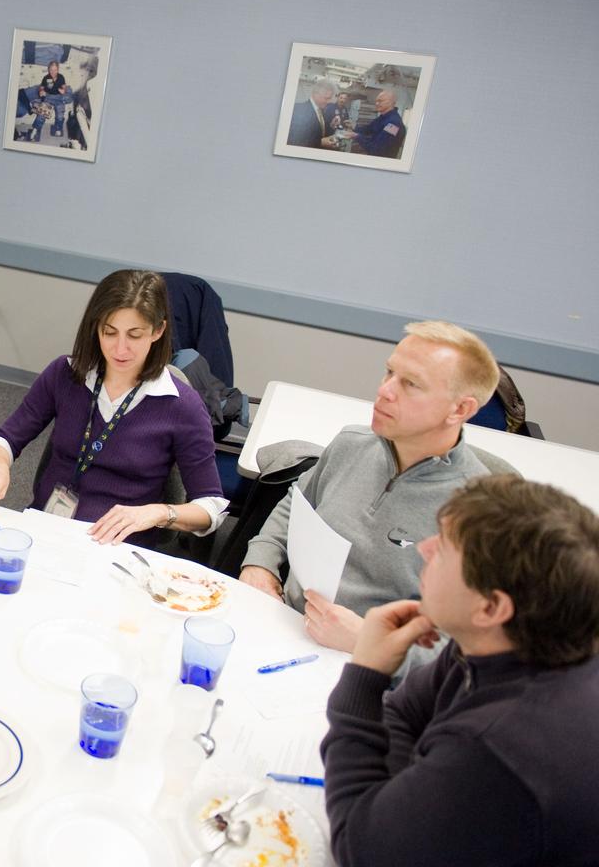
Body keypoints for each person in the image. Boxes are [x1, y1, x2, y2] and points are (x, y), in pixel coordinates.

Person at [321, 475, 599, 867]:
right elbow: (403, 713)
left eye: (445, 549)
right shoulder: (504, 640)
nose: (423, 548)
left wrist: (365, 675)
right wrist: (407, 796)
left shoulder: (498, 748)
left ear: (490, 607)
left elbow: (359, 849)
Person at [240, 321, 501, 654]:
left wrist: (370, 641)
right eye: (389, 372)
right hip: (282, 623)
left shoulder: (481, 511)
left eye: (410, 384)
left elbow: (467, 651)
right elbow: (299, 501)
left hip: (368, 666)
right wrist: (260, 562)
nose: (385, 391)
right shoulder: (352, 443)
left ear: (460, 409)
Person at [0, 269, 226, 549]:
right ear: (96, 328)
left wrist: (159, 512)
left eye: (135, 335)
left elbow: (210, 507)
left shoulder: (181, 405)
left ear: (158, 331)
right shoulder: (66, 375)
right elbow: (4, 439)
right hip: (47, 531)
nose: (120, 348)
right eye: (109, 332)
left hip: (118, 548)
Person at [345, 88, 406, 158]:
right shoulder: (382, 118)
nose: (376, 103)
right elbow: (368, 129)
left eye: (380, 101)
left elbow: (377, 150)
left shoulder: (393, 124)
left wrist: (357, 136)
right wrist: (354, 126)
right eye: (376, 101)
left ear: (391, 102)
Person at [287, 77, 339, 149]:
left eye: (329, 99)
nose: (328, 102)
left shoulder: (321, 111)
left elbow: (321, 133)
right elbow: (294, 140)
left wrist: (332, 126)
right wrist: (320, 142)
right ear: (315, 94)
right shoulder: (298, 110)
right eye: (326, 98)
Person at [37, 60, 72, 139]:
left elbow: (64, 88)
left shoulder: (61, 77)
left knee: (60, 114)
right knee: (42, 113)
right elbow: (41, 87)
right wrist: (41, 91)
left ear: (58, 69)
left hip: (59, 98)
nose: (53, 72)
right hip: (49, 97)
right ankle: (36, 128)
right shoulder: (46, 78)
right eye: (51, 70)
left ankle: (58, 128)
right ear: (49, 69)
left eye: (55, 70)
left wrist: (63, 90)